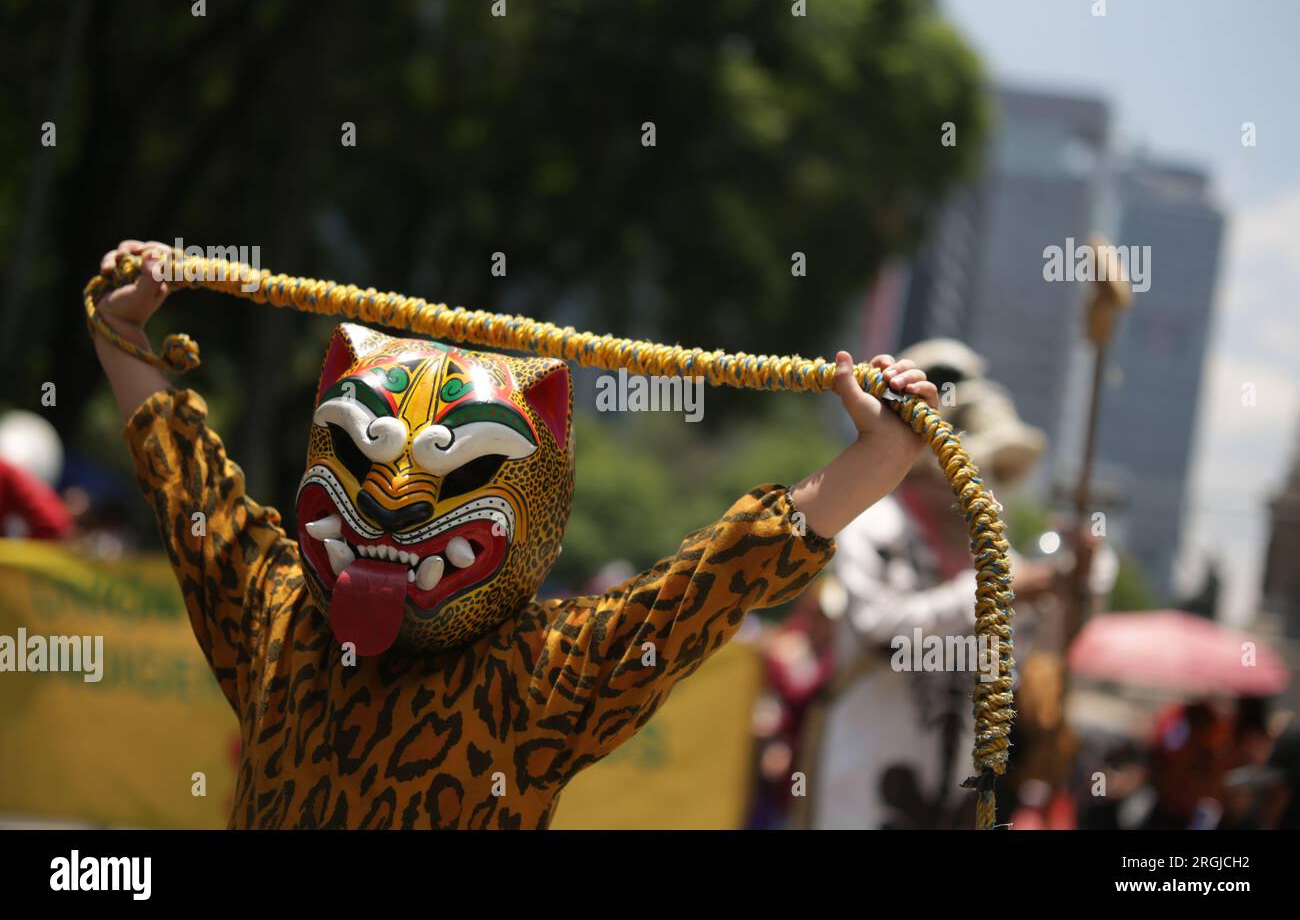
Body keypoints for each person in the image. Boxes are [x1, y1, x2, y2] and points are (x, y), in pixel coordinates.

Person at [90, 239, 943, 829]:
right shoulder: (276, 615)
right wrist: (122, 329)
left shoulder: (542, 674)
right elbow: (188, 489)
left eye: (454, 471)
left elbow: (715, 580)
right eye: (363, 453)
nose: (391, 499)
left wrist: (883, 457)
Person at [805, 339, 1055, 830]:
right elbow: (880, 629)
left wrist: (1070, 589)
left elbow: (1021, 665)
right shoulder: (873, 526)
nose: (988, 485)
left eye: (998, 472)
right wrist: (989, 594)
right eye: (983, 465)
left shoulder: (994, 553)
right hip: (864, 798)